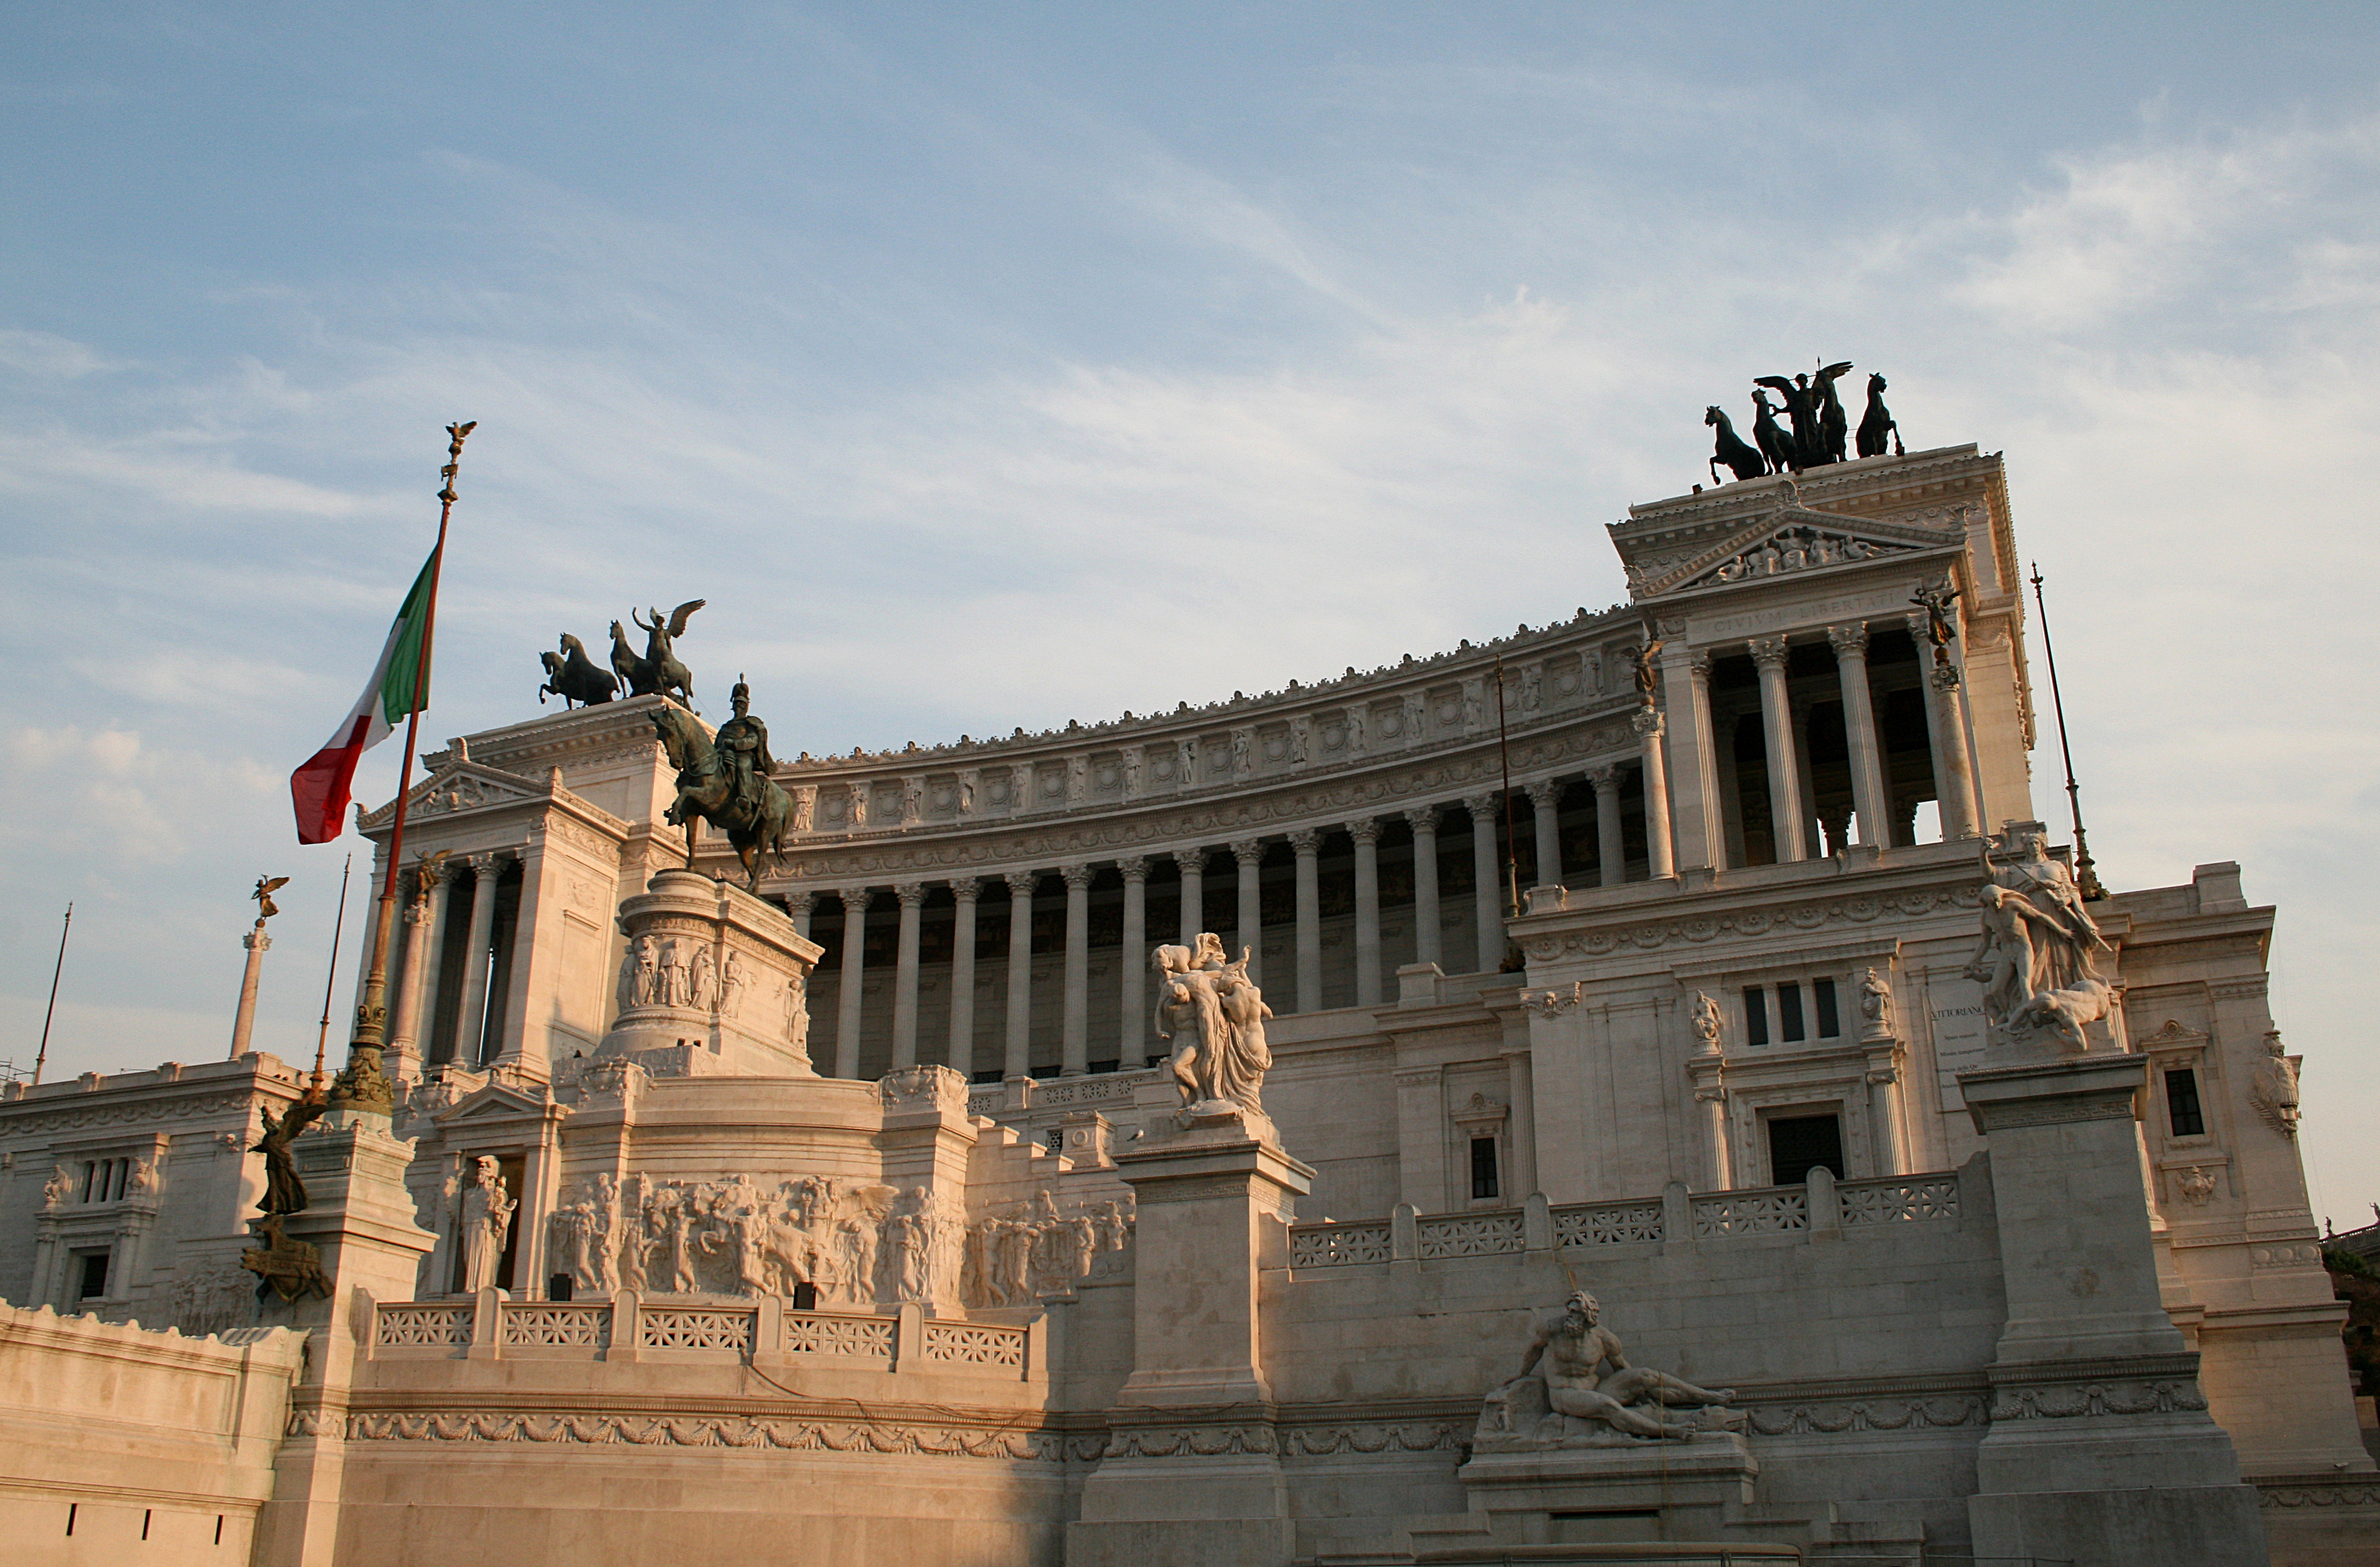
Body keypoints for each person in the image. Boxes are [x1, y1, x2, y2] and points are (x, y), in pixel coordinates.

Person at [1495, 1291, 1735, 1440]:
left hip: (1595, 1388)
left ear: (1590, 1317)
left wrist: (1637, 1390)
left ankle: (1708, 1396)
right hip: (1564, 1396)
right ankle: (1668, 1431)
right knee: (1608, 1406)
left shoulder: (1604, 1339)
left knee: (1647, 1375)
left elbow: (1622, 1369)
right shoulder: (1552, 1330)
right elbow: (1534, 1351)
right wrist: (1520, 1375)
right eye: (1569, 1312)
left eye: (1576, 1314)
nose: (1571, 1317)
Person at [713, 678, 776, 827]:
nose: (739, 707)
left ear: (747, 706)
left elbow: (752, 740)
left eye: (742, 704)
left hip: (745, 755)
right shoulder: (726, 726)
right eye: (737, 704)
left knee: (742, 766)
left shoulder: (752, 723)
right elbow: (717, 744)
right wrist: (722, 749)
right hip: (726, 754)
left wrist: (735, 744)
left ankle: (744, 796)